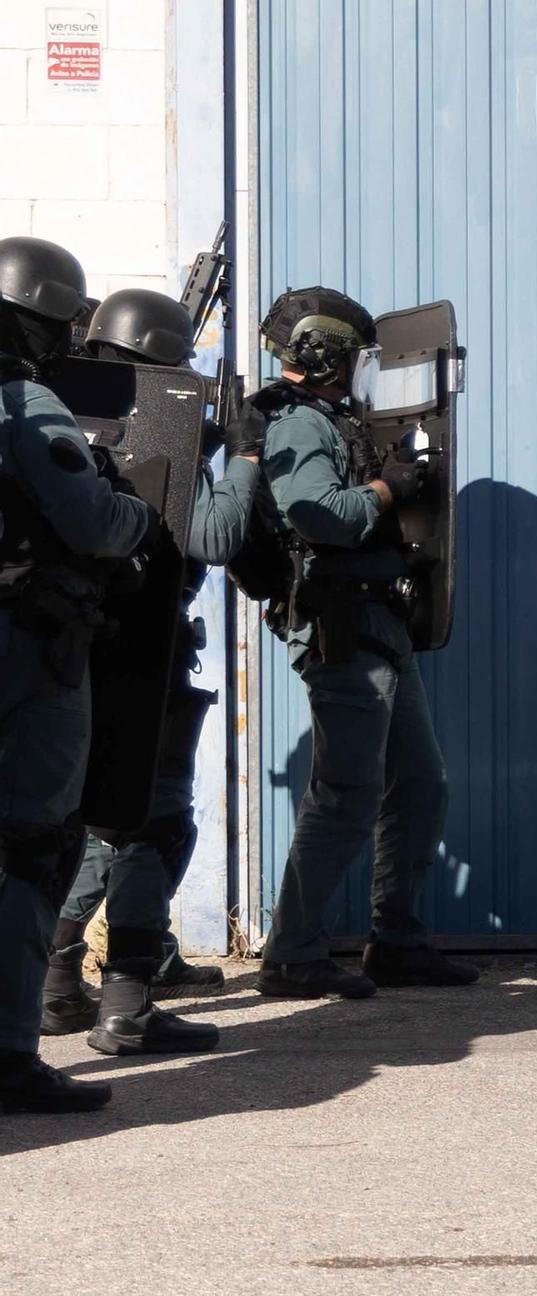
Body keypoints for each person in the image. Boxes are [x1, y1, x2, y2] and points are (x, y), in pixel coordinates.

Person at [39, 289, 263, 1054]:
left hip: (68, 650)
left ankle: (58, 985)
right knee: (153, 824)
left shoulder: (55, 411)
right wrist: (242, 455)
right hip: (145, 654)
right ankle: (129, 1003)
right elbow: (215, 536)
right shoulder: (161, 419)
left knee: (84, 821)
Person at [255, 286, 473, 999]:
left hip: (376, 622)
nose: (359, 376)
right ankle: (291, 953)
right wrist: (387, 490)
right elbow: (321, 516)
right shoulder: (297, 427)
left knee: (418, 785)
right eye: (353, 360)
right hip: (342, 628)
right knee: (346, 793)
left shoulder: (326, 420)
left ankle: (398, 941)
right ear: (324, 356)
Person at [0, 236, 154, 1111]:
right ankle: (9, 1055)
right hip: (28, 646)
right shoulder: (24, 402)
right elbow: (96, 522)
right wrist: (134, 508)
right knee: (32, 846)